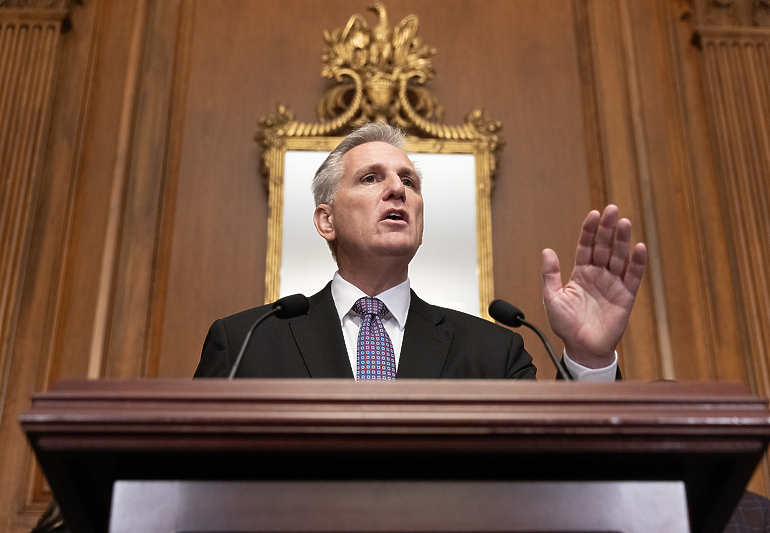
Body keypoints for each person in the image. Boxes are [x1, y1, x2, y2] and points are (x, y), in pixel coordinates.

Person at [194, 123, 648, 380]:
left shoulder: (493, 353)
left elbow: (560, 476)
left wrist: (589, 360)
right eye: (371, 178)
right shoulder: (247, 343)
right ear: (325, 220)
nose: (397, 189)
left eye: (408, 181)